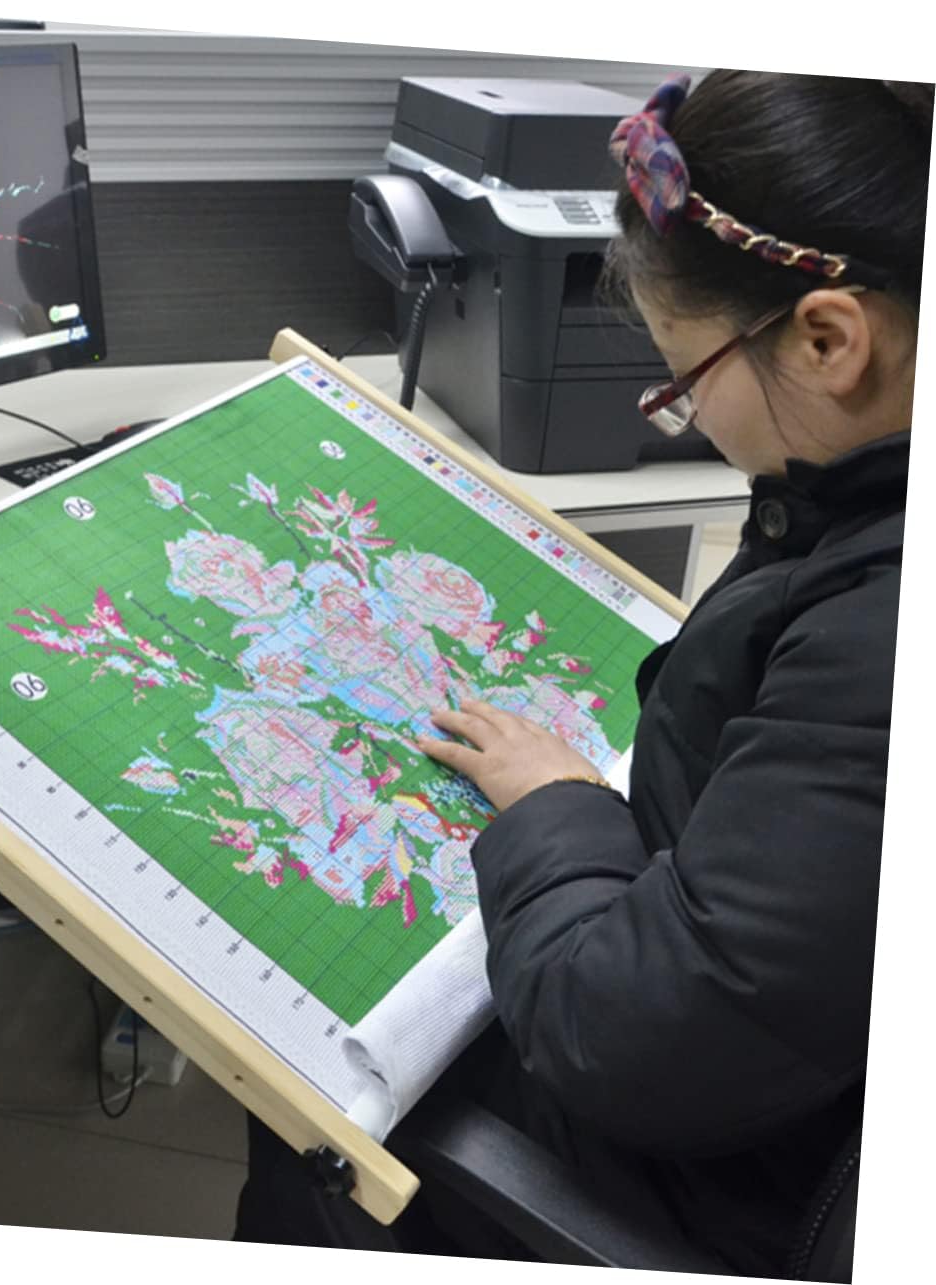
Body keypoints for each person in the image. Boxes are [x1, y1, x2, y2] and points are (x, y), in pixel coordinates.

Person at [233, 68, 929, 1277]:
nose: (691, 422)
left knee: (289, 1070)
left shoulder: (882, 632)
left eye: (683, 380)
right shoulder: (861, 512)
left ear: (829, 338)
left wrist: (559, 808)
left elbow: (641, 1043)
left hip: (724, 1155)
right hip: (810, 1059)